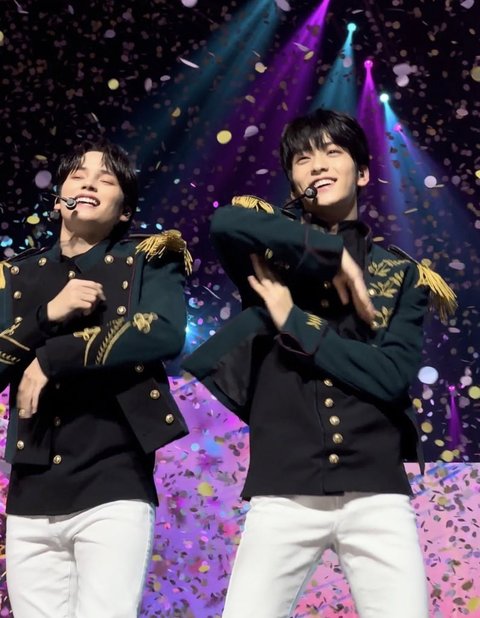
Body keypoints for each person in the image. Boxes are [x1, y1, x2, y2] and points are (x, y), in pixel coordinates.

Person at [183, 109, 456, 618]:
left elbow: (391, 377)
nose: (318, 165)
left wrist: (293, 319)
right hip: (283, 491)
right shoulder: (268, 251)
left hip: (376, 494)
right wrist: (330, 251)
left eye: (333, 152)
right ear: (293, 180)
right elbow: (225, 221)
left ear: (364, 172)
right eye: (303, 159)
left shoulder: (402, 275)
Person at [0, 139, 192, 617]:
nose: (88, 183)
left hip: (113, 484)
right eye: (78, 176)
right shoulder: (17, 276)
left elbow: (163, 332)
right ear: (57, 198)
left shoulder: (148, 258)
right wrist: (46, 317)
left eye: (105, 180)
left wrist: (53, 358)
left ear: (124, 211)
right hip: (31, 493)